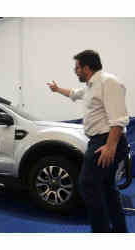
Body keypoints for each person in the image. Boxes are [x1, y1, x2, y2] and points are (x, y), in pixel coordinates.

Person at [47, 50, 129, 233]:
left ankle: (102, 233)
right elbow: (75, 93)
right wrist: (57, 89)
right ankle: (119, 231)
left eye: (76, 67)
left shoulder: (109, 82)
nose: (74, 71)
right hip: (99, 141)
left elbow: (119, 119)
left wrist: (110, 146)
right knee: (107, 188)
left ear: (86, 67)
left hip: (106, 141)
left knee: (87, 185)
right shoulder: (91, 86)